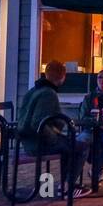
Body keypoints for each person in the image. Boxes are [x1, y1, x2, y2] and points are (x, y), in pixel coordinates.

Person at [17, 60, 91, 198]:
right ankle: (68, 187)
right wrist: (54, 138)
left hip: (27, 142)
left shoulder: (33, 91)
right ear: (63, 77)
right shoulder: (48, 94)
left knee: (70, 145)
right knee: (81, 147)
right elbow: (38, 123)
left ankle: (64, 185)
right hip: (38, 144)